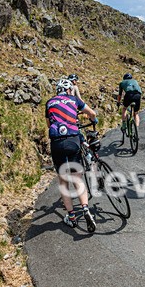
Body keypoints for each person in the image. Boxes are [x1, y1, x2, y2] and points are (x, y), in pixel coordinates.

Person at [46, 78, 98, 231]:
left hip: (57, 142)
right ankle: (85, 209)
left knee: (63, 181)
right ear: (69, 90)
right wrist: (94, 119)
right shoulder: (73, 99)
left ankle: (72, 217)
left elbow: (49, 124)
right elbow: (91, 113)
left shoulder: (49, 102)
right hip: (73, 140)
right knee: (77, 178)